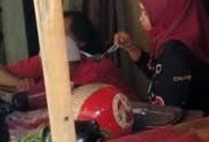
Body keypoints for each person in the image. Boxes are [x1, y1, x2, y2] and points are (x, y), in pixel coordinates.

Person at [113, 0, 209, 115]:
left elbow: (167, 115)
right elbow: (161, 73)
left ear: (165, 13)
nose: (140, 18)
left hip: (208, 129)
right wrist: (131, 48)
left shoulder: (177, 52)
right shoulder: (182, 41)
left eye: (145, 13)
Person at [0, 11, 138, 100]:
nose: (55, 38)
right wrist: (17, 83)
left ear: (81, 43)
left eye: (62, 34)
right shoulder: (45, 61)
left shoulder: (99, 70)